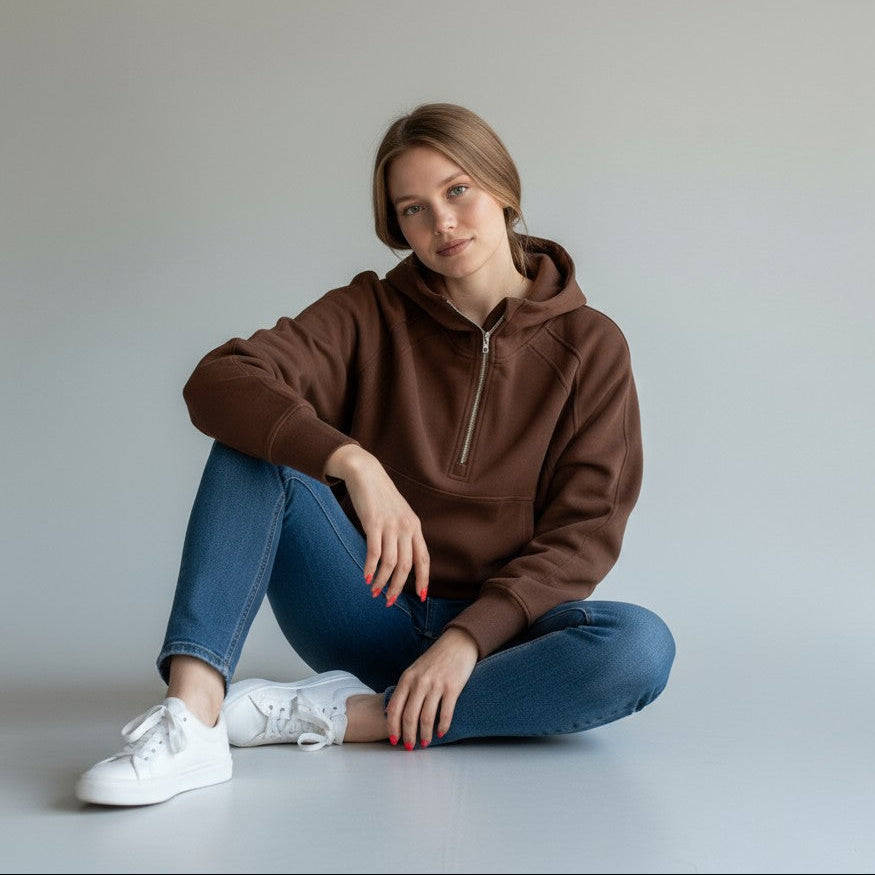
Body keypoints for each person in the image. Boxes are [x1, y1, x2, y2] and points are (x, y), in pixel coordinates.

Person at [75, 102, 675, 807]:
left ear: (502, 188)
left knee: (637, 647)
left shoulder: (590, 347)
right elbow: (219, 379)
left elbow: (582, 536)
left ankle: (348, 715)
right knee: (254, 444)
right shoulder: (369, 312)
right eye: (413, 210)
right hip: (366, 604)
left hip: (501, 642)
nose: (442, 224)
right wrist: (353, 462)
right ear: (397, 227)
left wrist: (466, 641)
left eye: (458, 191)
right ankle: (195, 717)